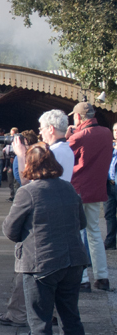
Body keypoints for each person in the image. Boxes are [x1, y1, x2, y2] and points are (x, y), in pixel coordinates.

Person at [2, 144, 93, 335]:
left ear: (29, 167)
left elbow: (10, 230)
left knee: (40, 324)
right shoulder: (69, 188)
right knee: (71, 321)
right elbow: (81, 223)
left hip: (40, 265)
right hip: (73, 263)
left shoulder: (27, 192)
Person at [65, 102, 112, 292]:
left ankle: (82, 278)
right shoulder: (107, 133)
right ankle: (102, 277)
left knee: (78, 232)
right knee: (94, 232)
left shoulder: (79, 137)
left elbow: (63, 155)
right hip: (97, 189)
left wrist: (69, 136)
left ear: (77, 117)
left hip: (78, 188)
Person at [38, 110, 73, 182]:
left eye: (41, 129)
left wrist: (21, 156)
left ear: (51, 129)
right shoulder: (69, 150)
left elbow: (33, 183)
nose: (40, 132)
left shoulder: (51, 153)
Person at [106, 123, 117, 250]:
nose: (116, 132)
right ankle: (110, 241)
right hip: (109, 184)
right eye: (114, 130)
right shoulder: (110, 148)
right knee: (109, 214)